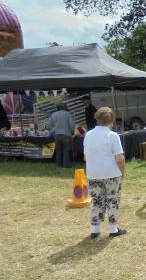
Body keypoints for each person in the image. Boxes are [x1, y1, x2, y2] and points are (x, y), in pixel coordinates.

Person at [83, 107, 127, 239]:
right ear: (111, 121)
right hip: (111, 173)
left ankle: (95, 229)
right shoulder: (113, 136)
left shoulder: (88, 135)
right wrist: (122, 172)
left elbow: (85, 157)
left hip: (93, 173)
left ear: (96, 118)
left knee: (96, 201)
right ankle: (113, 229)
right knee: (113, 200)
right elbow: (120, 158)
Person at [47, 102, 75, 168]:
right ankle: (66, 165)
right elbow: (71, 125)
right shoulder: (68, 114)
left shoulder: (53, 114)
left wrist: (52, 130)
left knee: (58, 150)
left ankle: (58, 165)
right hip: (66, 134)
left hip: (56, 134)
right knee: (66, 150)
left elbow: (48, 125)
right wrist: (72, 131)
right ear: (65, 107)